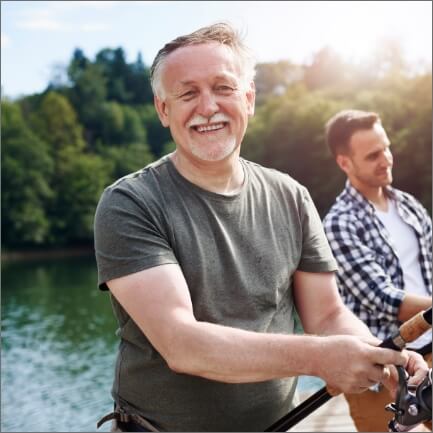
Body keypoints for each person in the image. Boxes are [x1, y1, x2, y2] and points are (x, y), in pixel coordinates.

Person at [94, 24, 427, 432]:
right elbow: (183, 345)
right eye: (187, 93)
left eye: (223, 87)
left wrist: (377, 355)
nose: (208, 106)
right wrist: (322, 358)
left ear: (249, 99)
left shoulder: (292, 196)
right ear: (163, 110)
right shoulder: (129, 203)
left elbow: (327, 315)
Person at [323, 109, 432, 432]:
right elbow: (384, 299)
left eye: (386, 148)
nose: (386, 159)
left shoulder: (409, 206)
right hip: (380, 371)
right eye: (373, 155)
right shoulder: (340, 224)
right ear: (345, 163)